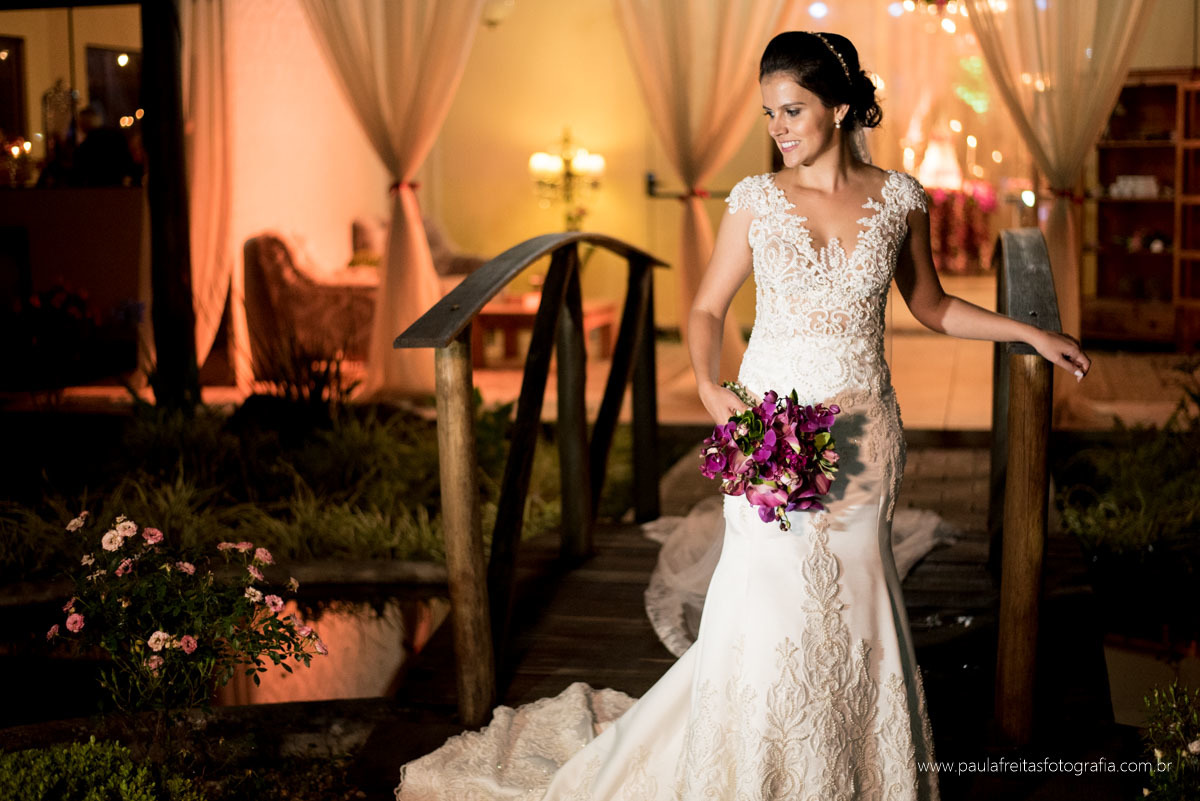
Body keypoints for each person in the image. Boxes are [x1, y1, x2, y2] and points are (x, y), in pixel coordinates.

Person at [395, 31, 1090, 801]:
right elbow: (703, 306)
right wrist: (705, 381)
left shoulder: (900, 199)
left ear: (840, 104)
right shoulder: (756, 201)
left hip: (863, 439)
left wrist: (1029, 332)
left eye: (793, 109)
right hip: (770, 434)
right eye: (769, 113)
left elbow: (931, 307)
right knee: (765, 604)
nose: (779, 128)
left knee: (856, 605)